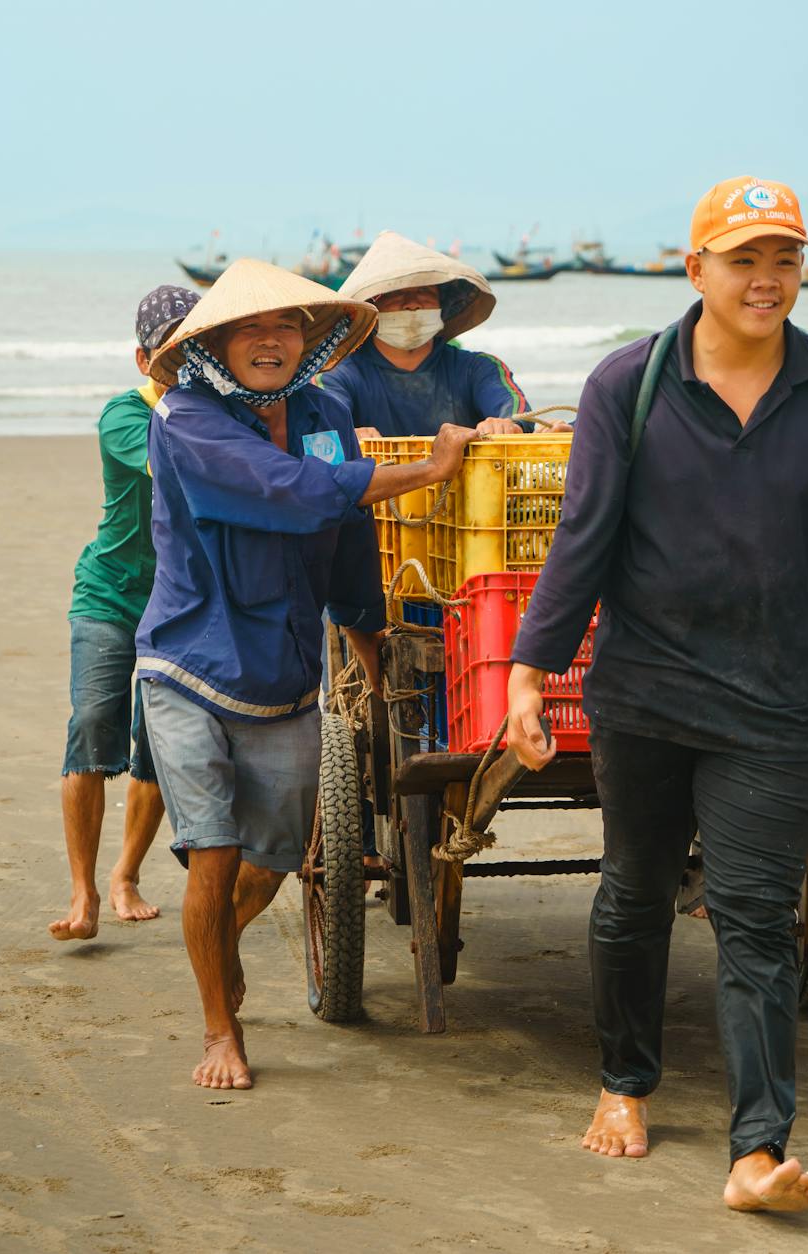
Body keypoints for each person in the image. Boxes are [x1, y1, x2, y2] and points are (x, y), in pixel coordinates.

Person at [503, 177, 808, 1213]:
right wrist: (531, 668)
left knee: (754, 919)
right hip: (643, 695)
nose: (765, 279)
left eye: (782, 259)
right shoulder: (630, 385)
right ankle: (623, 1080)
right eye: (742, 259)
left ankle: (755, 1152)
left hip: (771, 705)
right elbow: (585, 536)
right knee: (634, 895)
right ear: (692, 268)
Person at [135, 260, 482, 1089]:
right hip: (188, 665)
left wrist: (370, 645)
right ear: (213, 342)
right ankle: (221, 1029)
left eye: (286, 326)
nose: (270, 340)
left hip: (286, 677)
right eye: (249, 328)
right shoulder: (188, 420)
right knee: (213, 855)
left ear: (310, 338)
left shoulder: (328, 413)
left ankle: (219, 948)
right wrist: (428, 470)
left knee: (275, 861)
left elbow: (345, 532)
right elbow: (289, 492)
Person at [50, 285, 199, 943]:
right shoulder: (123, 415)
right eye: (170, 349)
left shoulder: (219, 413)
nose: (183, 359)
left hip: (178, 604)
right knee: (92, 724)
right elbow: (168, 468)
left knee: (158, 744)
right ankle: (83, 892)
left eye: (195, 344)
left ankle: (126, 874)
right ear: (143, 358)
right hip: (110, 595)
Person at [325, 231, 548, 442]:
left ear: (443, 304)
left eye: (424, 292)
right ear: (371, 307)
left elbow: (516, 412)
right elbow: (323, 423)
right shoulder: (338, 374)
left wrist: (506, 424)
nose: (412, 303)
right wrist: (348, 434)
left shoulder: (477, 368)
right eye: (396, 293)